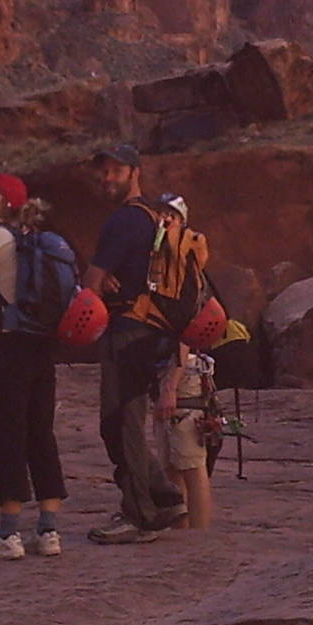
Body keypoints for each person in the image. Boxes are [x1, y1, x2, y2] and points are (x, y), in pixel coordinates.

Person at [82, 144, 188, 544]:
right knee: (125, 421)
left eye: (115, 171)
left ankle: (139, 515)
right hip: (152, 331)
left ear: (134, 172)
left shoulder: (125, 220)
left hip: (127, 330)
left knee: (119, 424)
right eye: (102, 172)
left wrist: (99, 281)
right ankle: (164, 496)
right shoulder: (153, 217)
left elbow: (91, 281)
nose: (106, 178)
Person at [0, 172, 66, 560]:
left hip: (9, 346)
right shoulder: (31, 238)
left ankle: (8, 534)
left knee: (7, 433)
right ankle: (49, 531)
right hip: (42, 343)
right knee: (40, 431)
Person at [156, 342, 218, 529]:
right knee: (171, 464)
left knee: (191, 463)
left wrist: (170, 387)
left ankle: (199, 532)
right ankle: (181, 531)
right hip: (165, 372)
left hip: (180, 376)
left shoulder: (177, 313)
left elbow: (184, 339)